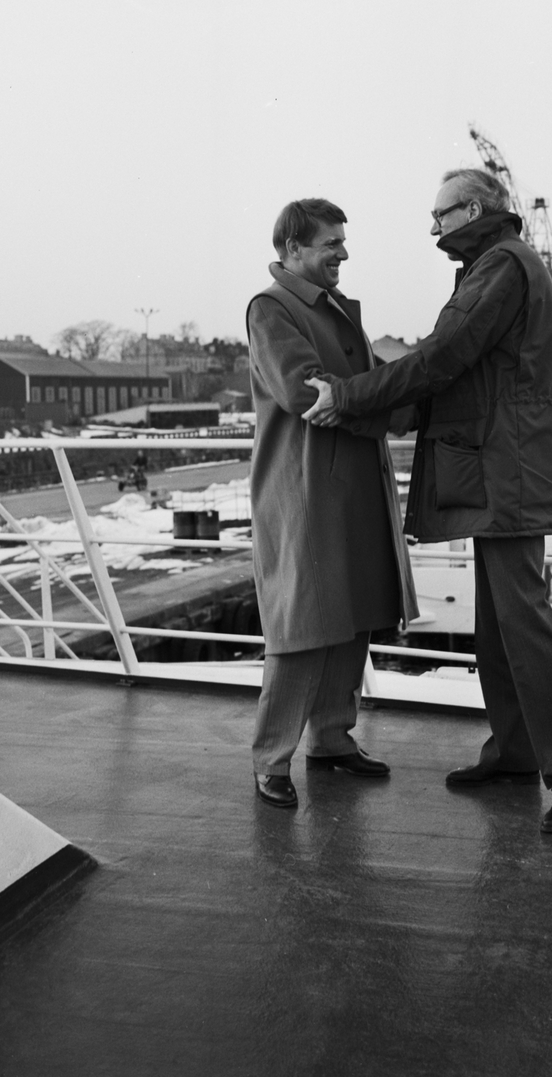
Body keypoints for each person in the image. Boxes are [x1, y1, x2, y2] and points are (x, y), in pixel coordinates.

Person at [303, 169, 552, 833]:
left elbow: (443, 357)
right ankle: (516, 752)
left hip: (509, 468)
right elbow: (459, 371)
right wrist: (376, 406)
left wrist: (349, 397)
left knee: (523, 621)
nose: (433, 227)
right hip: (503, 463)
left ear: (473, 209)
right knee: (499, 625)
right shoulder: (492, 265)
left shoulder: (501, 266)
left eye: (440, 215)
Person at [246, 198, 418, 809]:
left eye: (342, 241)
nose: (343, 252)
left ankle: (331, 738)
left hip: (350, 486)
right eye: (330, 243)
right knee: (303, 626)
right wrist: (381, 406)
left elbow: (351, 391)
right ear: (293, 249)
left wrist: (399, 400)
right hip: (305, 491)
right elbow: (306, 393)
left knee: (353, 614)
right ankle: (271, 759)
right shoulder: (271, 308)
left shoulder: (334, 307)